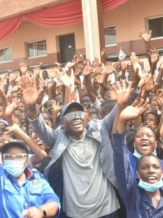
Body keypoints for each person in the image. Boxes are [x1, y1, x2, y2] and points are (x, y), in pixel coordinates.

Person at [25, 75, 122, 218]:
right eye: (70, 116)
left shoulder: (98, 128)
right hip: (77, 213)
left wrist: (121, 101)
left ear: (85, 117)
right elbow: (40, 128)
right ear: (62, 124)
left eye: (79, 113)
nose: (75, 117)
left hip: (108, 208)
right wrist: (32, 107)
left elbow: (116, 113)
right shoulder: (59, 139)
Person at [0, 95, 60, 218]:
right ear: (2, 159)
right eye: (9, 156)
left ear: (25, 159)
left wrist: (41, 211)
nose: (14, 159)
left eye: (19, 156)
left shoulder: (37, 178)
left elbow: (54, 202)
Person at [112, 90, 163, 217]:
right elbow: (119, 150)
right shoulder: (132, 195)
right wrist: (122, 120)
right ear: (137, 174)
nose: (144, 138)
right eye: (139, 136)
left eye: (149, 135)